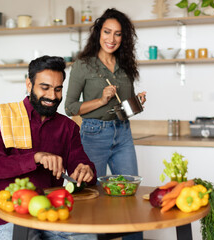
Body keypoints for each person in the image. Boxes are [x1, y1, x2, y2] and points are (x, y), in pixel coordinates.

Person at [0, 56, 97, 240]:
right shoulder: (0, 117)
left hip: (52, 212)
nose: (52, 96)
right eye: (45, 88)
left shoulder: (68, 127)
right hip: (9, 215)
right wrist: (35, 157)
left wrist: (86, 170)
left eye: (58, 89)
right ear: (29, 84)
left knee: (88, 237)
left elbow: (80, 164)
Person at [65, 8, 146, 240]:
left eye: (118, 34)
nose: (111, 39)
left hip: (122, 134)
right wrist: (100, 100)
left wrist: (137, 103)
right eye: (107, 32)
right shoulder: (83, 65)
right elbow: (70, 107)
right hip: (93, 134)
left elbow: (124, 108)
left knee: (130, 196)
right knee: (91, 197)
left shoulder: (126, 66)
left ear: (124, 38)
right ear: (98, 32)